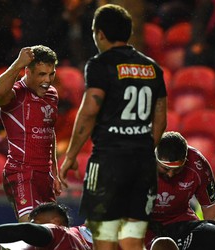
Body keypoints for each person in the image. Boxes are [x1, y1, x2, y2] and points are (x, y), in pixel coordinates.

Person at [59, 4, 167, 250]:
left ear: (99, 34)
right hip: (142, 165)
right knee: (133, 240)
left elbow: (88, 113)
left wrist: (71, 155)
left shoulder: (100, 64)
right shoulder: (153, 68)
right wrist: (142, 148)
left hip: (108, 163)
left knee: (105, 239)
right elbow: (160, 119)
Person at [0, 45, 62, 222]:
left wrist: (54, 171)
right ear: (27, 72)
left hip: (44, 175)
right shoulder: (15, 94)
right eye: (41, 74)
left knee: (52, 236)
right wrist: (17, 64)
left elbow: (49, 131)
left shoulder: (52, 94)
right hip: (21, 172)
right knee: (34, 230)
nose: (47, 80)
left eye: (51, 74)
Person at [144, 131, 215, 250]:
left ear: (186, 160)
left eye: (177, 170)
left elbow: (210, 206)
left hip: (180, 221)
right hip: (144, 224)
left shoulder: (197, 164)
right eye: (165, 169)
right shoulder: (139, 163)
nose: (171, 174)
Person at [0, 202, 92, 250]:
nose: (33, 224)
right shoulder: (84, 238)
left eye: (36, 222)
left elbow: (25, 230)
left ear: (55, 221)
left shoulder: (60, 232)